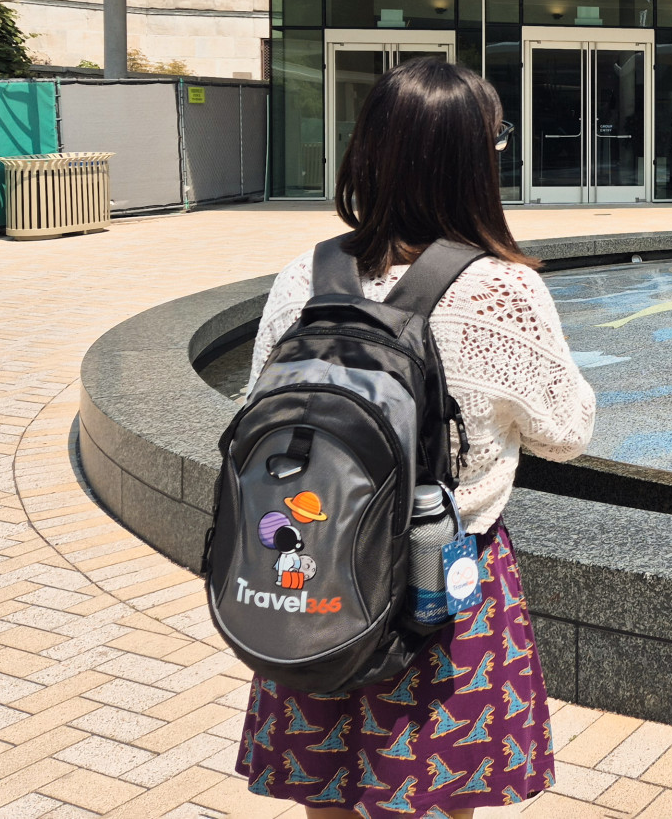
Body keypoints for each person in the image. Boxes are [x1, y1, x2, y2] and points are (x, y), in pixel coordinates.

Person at [235, 59, 596, 818]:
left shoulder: (308, 273)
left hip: (316, 566)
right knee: (433, 799)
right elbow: (566, 432)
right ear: (473, 161)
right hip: (440, 583)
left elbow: (251, 411)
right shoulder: (501, 288)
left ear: (368, 150)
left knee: (326, 794)